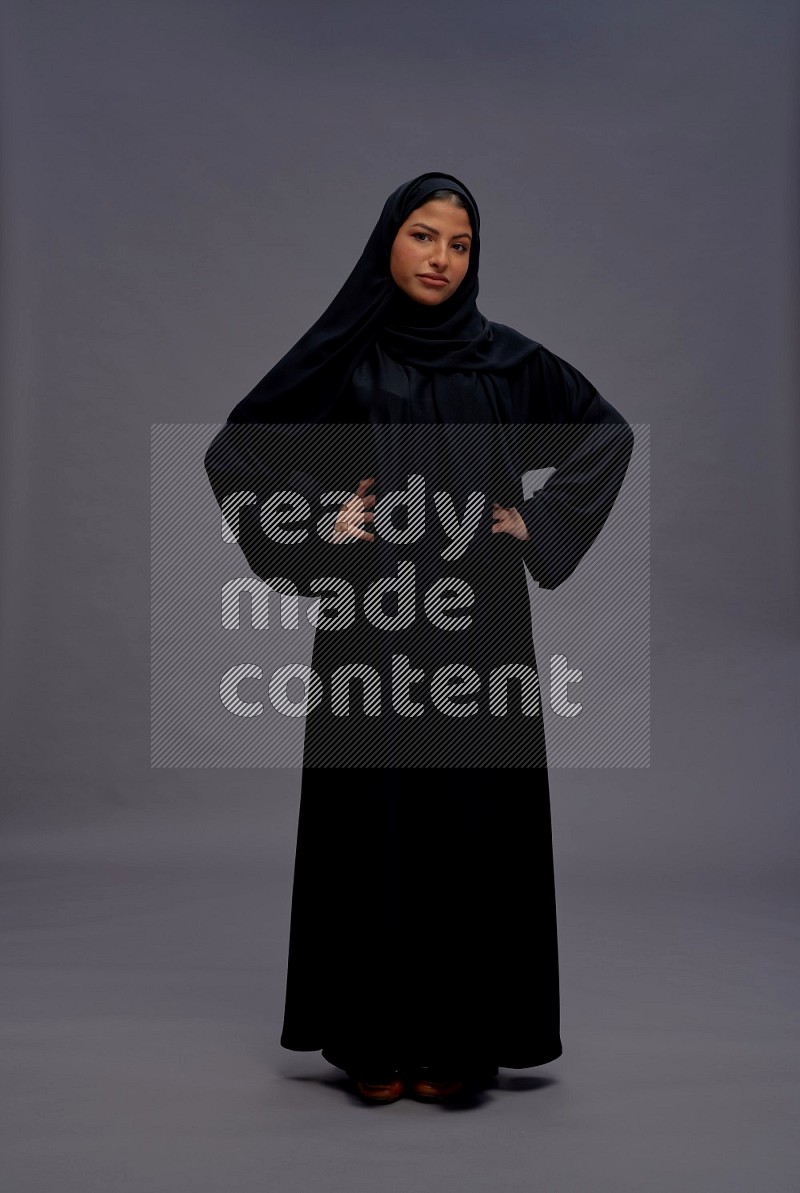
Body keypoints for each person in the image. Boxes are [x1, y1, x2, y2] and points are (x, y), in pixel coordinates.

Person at [204, 172, 634, 1105]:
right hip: (369, 637)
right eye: (424, 236)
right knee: (374, 825)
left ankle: (459, 1045)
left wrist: (537, 520)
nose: (441, 258)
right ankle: (372, 1042)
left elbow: (605, 434)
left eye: (460, 243)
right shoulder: (340, 360)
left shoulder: (507, 364)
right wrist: (320, 520)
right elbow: (237, 455)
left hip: (481, 640)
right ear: (386, 243)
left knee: (472, 828)